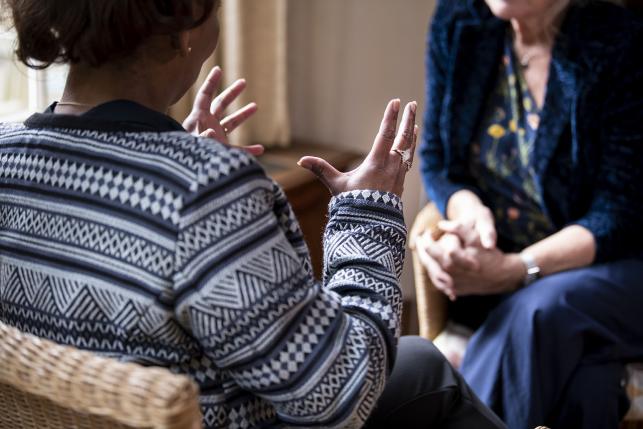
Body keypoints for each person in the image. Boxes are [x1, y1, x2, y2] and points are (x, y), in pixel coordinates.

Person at [0, 1, 507, 428]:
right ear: (183, 31)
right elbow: (338, 394)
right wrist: (367, 211)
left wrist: (175, 158)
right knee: (426, 366)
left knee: (419, 362)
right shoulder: (200, 191)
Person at [415, 0, 643, 428]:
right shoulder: (460, 20)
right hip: (520, 283)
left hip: (620, 268)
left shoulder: (624, 41)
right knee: (587, 387)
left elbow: (620, 213)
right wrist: (467, 214)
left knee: (536, 312)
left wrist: (517, 269)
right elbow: (440, 161)